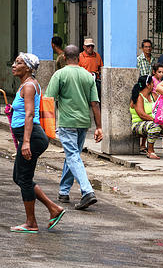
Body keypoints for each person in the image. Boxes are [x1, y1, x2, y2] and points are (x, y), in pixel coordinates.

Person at [8, 53, 66, 233]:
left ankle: (31, 222)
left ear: (28, 68)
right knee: (19, 177)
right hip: (31, 137)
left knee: (24, 179)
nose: (14, 65)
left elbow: (30, 114)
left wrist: (25, 142)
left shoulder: (30, 86)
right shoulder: (26, 85)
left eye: (18, 63)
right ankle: (53, 209)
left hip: (33, 138)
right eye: (15, 62)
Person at [46, 45, 103, 210]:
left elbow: (49, 100)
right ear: (79, 57)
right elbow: (95, 104)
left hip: (67, 122)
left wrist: (47, 126)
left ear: (64, 57)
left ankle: (87, 191)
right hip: (83, 123)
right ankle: (64, 191)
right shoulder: (88, 76)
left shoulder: (60, 74)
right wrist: (99, 127)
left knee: (72, 156)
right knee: (73, 156)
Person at [130, 75, 162, 159]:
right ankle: (150, 151)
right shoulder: (139, 96)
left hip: (152, 121)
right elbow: (142, 114)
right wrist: (157, 121)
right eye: (152, 83)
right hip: (138, 124)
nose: (153, 85)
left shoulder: (153, 96)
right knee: (155, 126)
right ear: (148, 85)